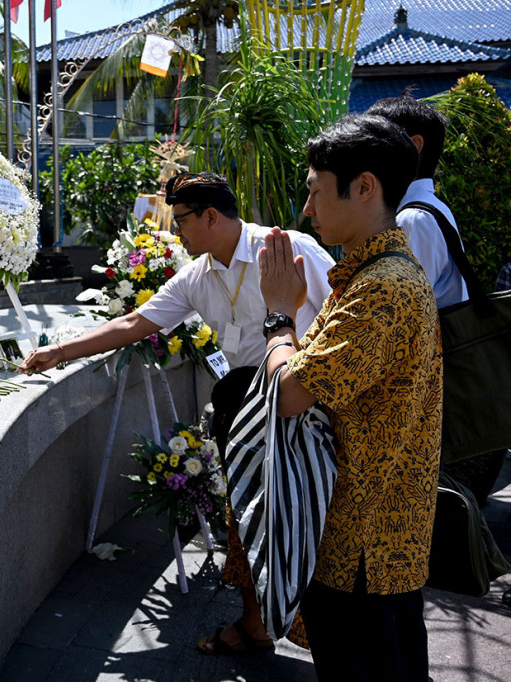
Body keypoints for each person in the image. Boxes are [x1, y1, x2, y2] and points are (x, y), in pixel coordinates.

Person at [20, 171, 336, 654]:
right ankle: (254, 624)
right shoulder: (197, 275)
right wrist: (61, 351)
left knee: (311, 522)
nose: (178, 232)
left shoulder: (287, 248)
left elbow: (341, 314)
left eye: (182, 219)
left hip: (306, 407)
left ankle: (334, 639)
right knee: (248, 518)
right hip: (247, 416)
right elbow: (134, 322)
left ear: (211, 216)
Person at [259, 114, 441, 681]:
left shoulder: (383, 288)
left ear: (364, 187)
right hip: (366, 534)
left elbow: (290, 392)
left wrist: (276, 317)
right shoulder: (369, 275)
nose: (307, 208)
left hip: (365, 543)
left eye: (315, 190)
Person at [366, 95, 468, 308]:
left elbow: (402, 310)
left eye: (374, 142)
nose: (364, 154)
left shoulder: (414, 219)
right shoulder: (427, 209)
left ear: (413, 146)